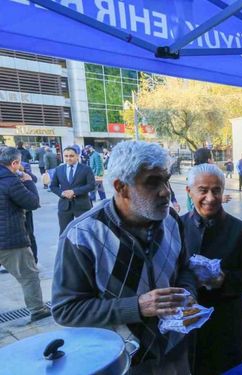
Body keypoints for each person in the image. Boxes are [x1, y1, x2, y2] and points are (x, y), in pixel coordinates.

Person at [51, 141, 197, 374]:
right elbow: (66, 310)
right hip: (122, 362)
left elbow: (185, 269)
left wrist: (187, 294)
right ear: (121, 187)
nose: (166, 191)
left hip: (175, 352)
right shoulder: (83, 235)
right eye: (152, 182)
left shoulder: (172, 221)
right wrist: (136, 307)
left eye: (166, 179)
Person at [182, 164, 242, 374]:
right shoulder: (175, 227)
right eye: (203, 190)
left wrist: (224, 280)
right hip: (186, 326)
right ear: (189, 191)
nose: (210, 197)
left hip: (226, 324)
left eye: (216, 190)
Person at [0, 146, 50, 322]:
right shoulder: (10, 181)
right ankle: (38, 310)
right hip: (10, 240)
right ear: (14, 163)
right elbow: (32, 203)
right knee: (29, 276)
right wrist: (28, 181)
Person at [50, 147, 96, 234]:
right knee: (64, 233)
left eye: (71, 156)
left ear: (77, 156)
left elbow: (91, 185)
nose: (68, 158)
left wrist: (74, 191)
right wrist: (62, 193)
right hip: (65, 206)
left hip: (82, 206)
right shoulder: (59, 169)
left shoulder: (86, 169)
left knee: (85, 232)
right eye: (66, 156)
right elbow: (53, 186)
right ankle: (64, 248)